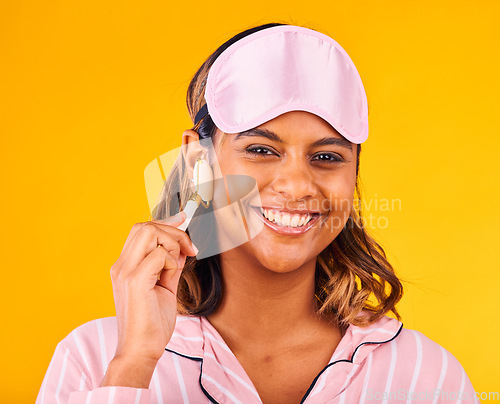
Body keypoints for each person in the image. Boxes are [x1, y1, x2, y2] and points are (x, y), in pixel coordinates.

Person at [36, 23, 479, 404]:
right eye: (261, 150)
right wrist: (133, 365)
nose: (297, 185)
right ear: (198, 163)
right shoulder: (92, 358)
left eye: (326, 157)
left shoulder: (427, 377)